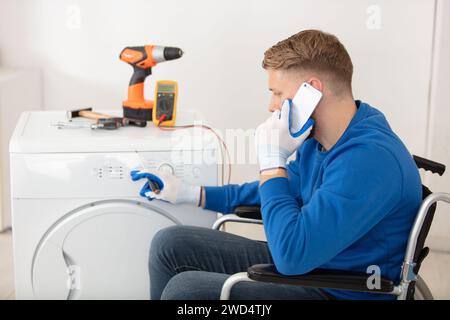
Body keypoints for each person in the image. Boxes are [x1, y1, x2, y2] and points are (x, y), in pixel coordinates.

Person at [130, 29, 422, 300]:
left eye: (278, 93)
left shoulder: (368, 160)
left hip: (337, 288)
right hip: (314, 262)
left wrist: (272, 162)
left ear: (312, 91)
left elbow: (291, 256)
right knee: (169, 244)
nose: (272, 105)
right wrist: (192, 193)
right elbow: (279, 189)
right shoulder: (323, 138)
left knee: (186, 292)